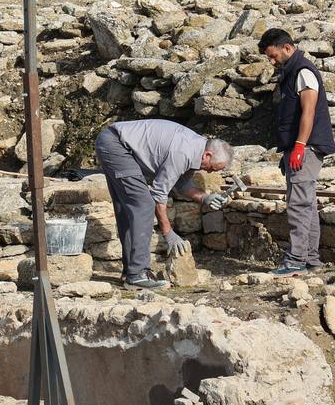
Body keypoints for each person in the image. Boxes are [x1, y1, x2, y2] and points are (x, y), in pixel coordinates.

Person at [93, 119, 233, 290]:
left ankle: (131, 271)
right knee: (143, 204)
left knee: (129, 208)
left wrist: (204, 198)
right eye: (212, 168)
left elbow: (181, 184)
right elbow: (159, 194)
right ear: (207, 155)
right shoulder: (184, 153)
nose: (209, 172)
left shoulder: (196, 148)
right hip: (116, 145)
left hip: (114, 143)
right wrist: (168, 233)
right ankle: (137, 274)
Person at [258, 27, 335, 277]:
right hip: (298, 146)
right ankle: (311, 259)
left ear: (287, 48)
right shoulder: (291, 71)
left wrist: (300, 147)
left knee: (299, 204)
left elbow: (309, 111)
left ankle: (295, 261)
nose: (272, 61)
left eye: (273, 56)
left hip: (308, 146)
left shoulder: (303, 71)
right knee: (307, 203)